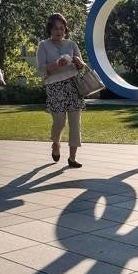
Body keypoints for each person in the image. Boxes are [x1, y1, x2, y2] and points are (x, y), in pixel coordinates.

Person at [36, 13, 86, 168]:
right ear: (50, 29)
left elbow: (82, 66)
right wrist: (57, 64)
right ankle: (56, 143)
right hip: (55, 87)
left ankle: (72, 158)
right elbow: (40, 70)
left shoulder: (72, 44)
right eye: (56, 28)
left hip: (74, 86)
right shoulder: (43, 45)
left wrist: (79, 62)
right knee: (59, 123)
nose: (59, 31)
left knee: (75, 124)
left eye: (62, 28)